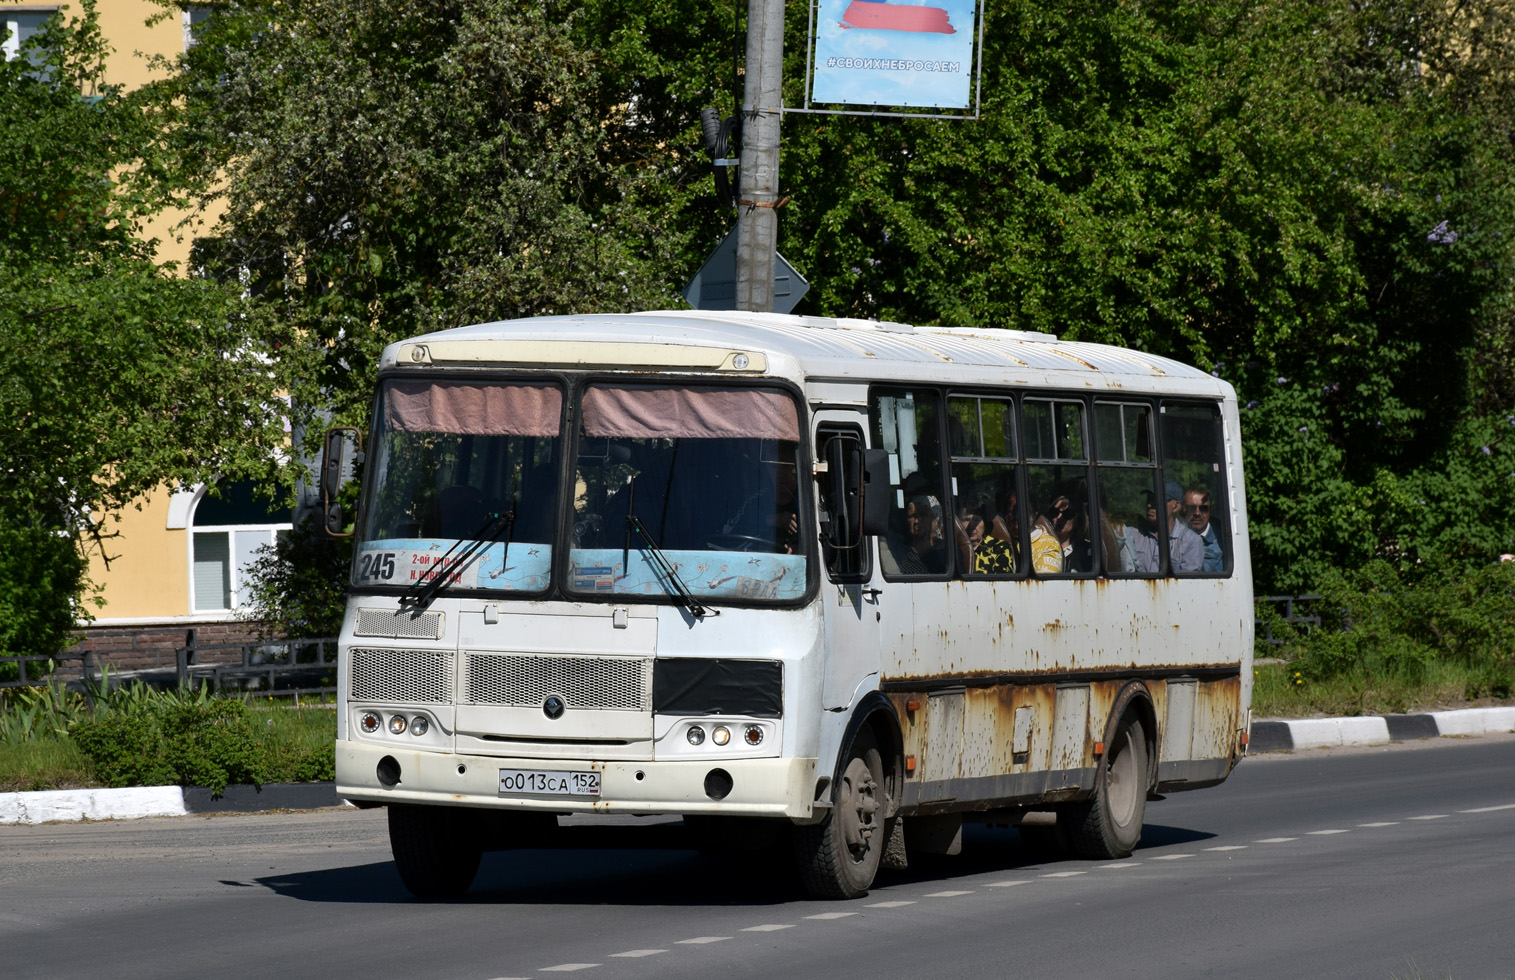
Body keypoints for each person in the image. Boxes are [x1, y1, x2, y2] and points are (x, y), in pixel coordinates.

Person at [1130, 480, 1203, 573]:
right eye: (1149, 499)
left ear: (1175, 506)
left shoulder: (1191, 541)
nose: (1149, 505)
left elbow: (1188, 583)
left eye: (1156, 500)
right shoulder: (1134, 534)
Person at [1184, 484, 1225, 572]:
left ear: (1210, 510)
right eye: (1191, 508)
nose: (1197, 513)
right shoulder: (1174, 538)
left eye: (1203, 508)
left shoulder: (1223, 539)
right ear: (1183, 509)